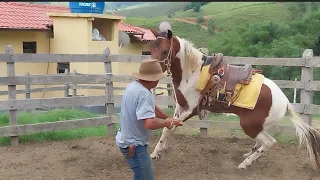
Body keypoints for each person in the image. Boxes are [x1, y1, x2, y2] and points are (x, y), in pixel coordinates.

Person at [115, 58, 183, 180]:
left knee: (142, 175)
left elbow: (151, 108)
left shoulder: (134, 87)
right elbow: (150, 123)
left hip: (127, 140)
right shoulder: (144, 94)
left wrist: (168, 118)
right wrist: (166, 122)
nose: (158, 80)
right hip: (135, 145)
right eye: (158, 77)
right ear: (153, 79)